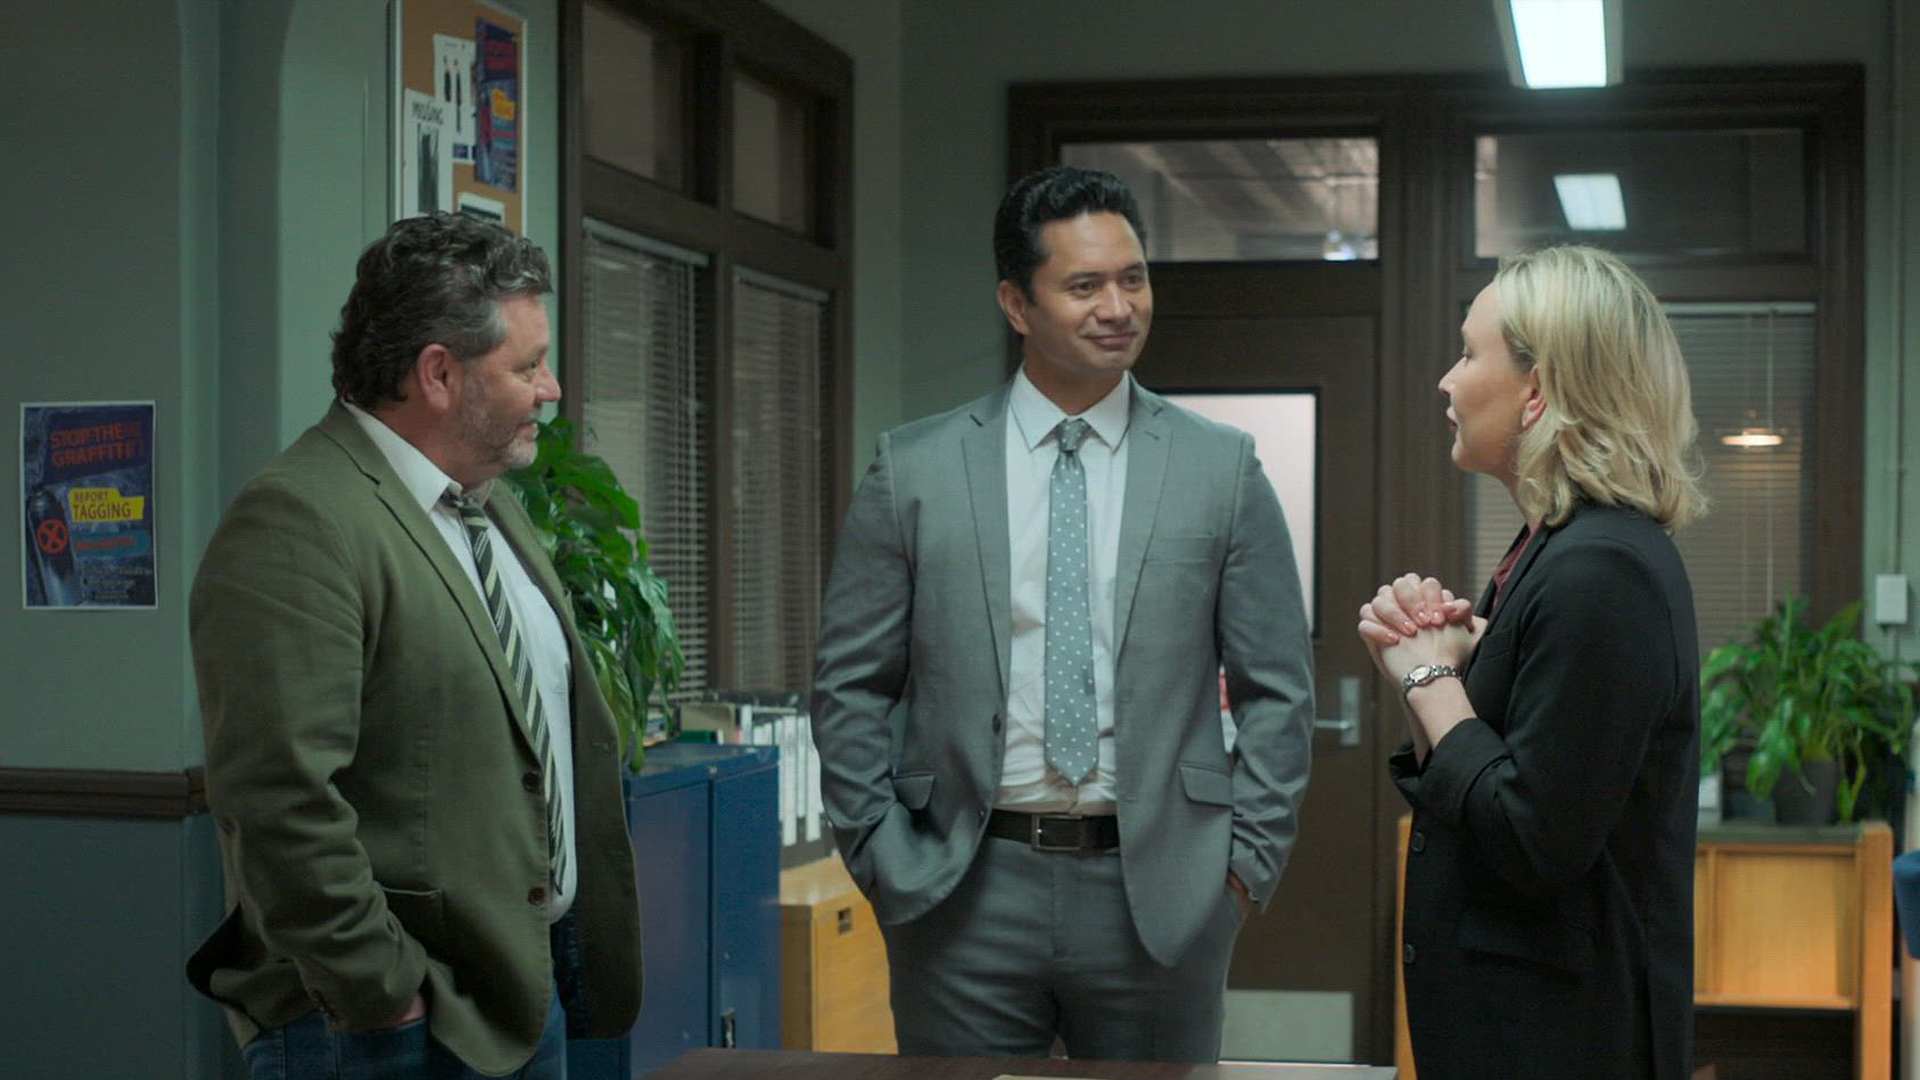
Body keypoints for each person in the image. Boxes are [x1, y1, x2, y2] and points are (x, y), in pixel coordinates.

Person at [811, 165, 1314, 1062]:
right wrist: (882, 858)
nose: (1118, 308)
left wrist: (1242, 869)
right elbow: (849, 683)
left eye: (1133, 279)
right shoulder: (916, 470)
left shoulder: (1220, 470)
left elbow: (1278, 689)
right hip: (960, 891)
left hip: (1161, 894)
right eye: (1084, 286)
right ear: (1017, 303)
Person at [186, 213, 643, 1079]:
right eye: (527, 366)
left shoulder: (485, 504)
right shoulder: (297, 520)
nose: (550, 389)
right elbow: (277, 798)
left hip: (516, 996)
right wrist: (384, 992)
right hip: (385, 1028)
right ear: (438, 373)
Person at [1358, 245, 1705, 1080]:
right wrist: (1447, 665)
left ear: (1539, 391)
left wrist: (1431, 679)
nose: (1446, 381)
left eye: (1468, 353)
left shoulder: (1601, 566)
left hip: (1564, 1038)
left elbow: (1533, 840)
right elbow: (1495, 777)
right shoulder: (1554, 546)